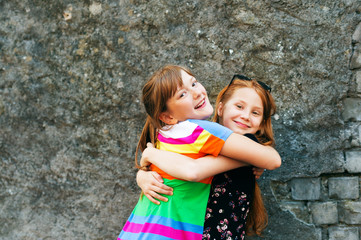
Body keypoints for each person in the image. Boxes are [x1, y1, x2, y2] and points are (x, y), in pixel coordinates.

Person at [117, 65, 281, 240]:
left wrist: (149, 157)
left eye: (194, 84)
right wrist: (144, 171)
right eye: (239, 106)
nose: (245, 116)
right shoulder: (198, 133)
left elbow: (190, 169)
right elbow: (191, 170)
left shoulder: (183, 133)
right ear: (220, 108)